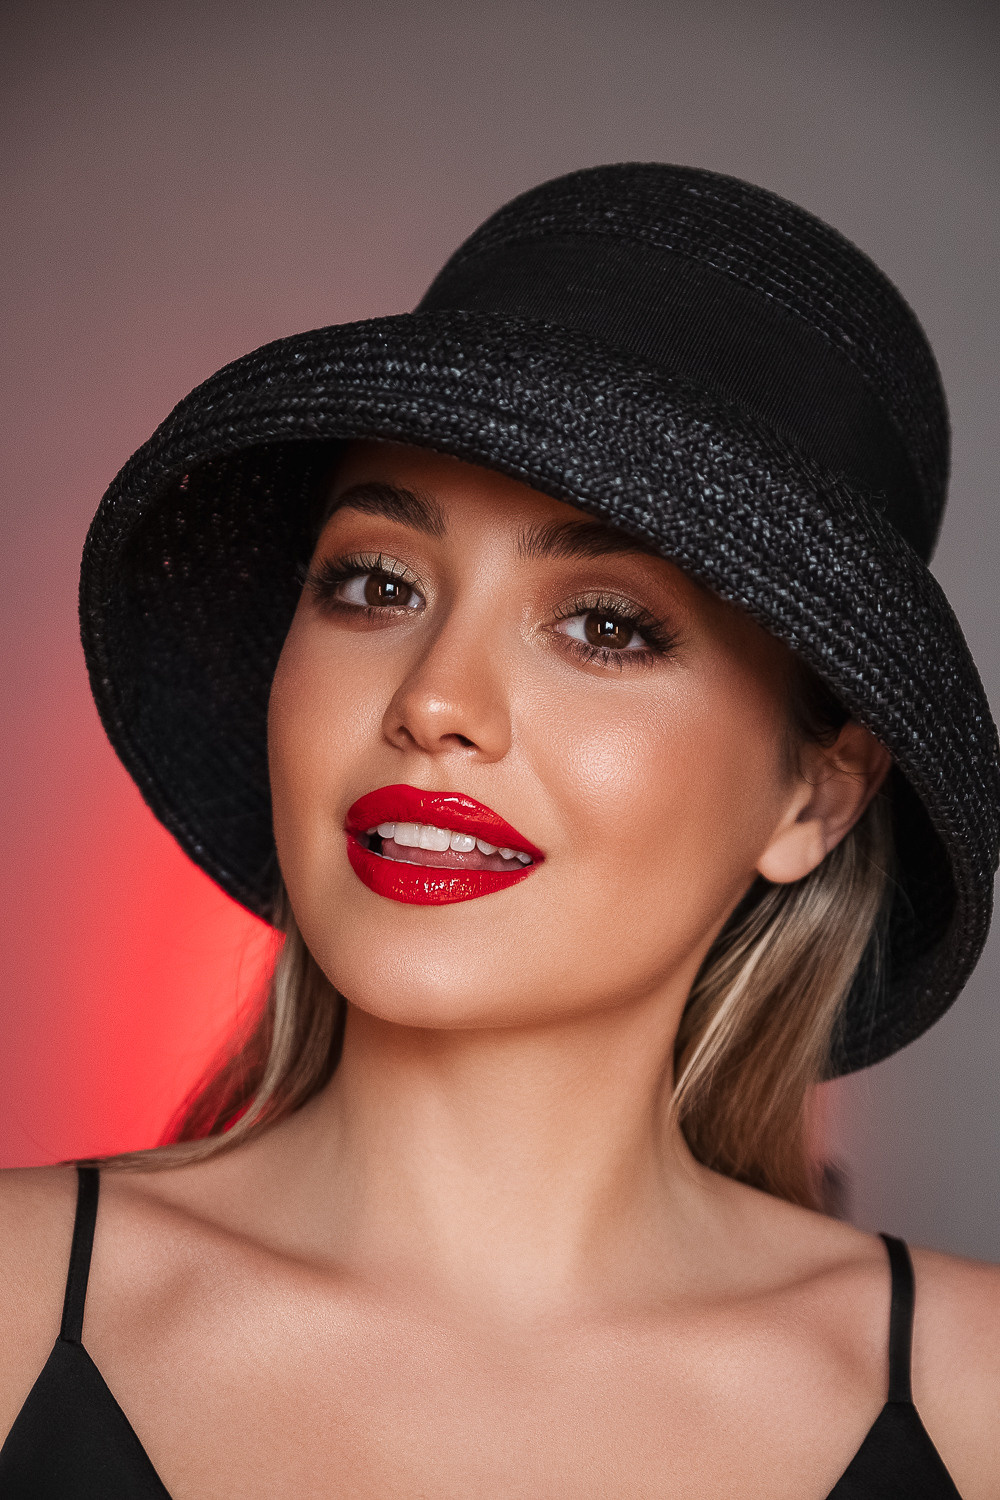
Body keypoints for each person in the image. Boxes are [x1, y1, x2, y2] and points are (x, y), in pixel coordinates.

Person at [0, 163, 996, 1498]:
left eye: (606, 624)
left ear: (815, 796)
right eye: (374, 582)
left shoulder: (978, 1397)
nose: (434, 702)